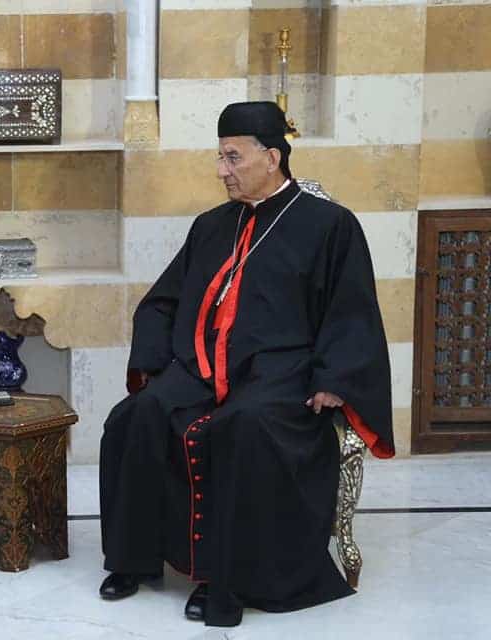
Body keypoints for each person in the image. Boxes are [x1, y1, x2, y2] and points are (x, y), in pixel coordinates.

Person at [97, 102, 394, 627]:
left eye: (232, 157)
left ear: (272, 157)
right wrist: (152, 361)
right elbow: (164, 300)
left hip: (280, 374)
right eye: (220, 157)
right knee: (135, 416)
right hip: (199, 368)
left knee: (241, 428)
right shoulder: (211, 225)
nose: (221, 170)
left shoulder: (329, 225)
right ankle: (133, 559)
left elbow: (353, 311)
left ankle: (222, 576)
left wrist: (333, 380)